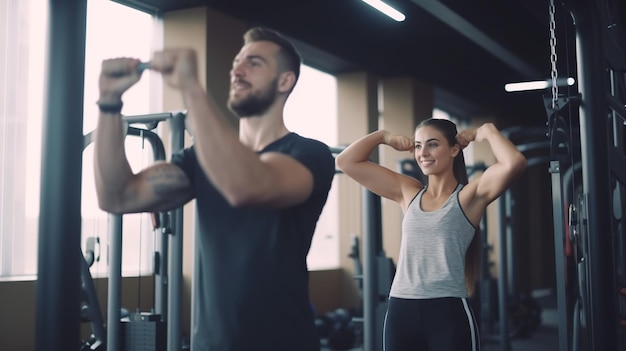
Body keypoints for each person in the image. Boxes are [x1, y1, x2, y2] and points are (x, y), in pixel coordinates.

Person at [94, 27, 335, 351]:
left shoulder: (309, 154)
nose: (237, 69)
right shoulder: (200, 160)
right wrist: (109, 103)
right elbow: (117, 196)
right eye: (237, 62)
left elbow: (246, 185)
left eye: (254, 62)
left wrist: (192, 89)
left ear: (285, 81)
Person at [335, 118, 527, 351]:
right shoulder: (408, 192)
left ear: (454, 149)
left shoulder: (469, 197)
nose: (422, 152)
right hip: (401, 309)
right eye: (418, 146)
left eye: (432, 144)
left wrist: (486, 131)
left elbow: (514, 162)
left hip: (447, 311)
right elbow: (346, 161)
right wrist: (383, 136)